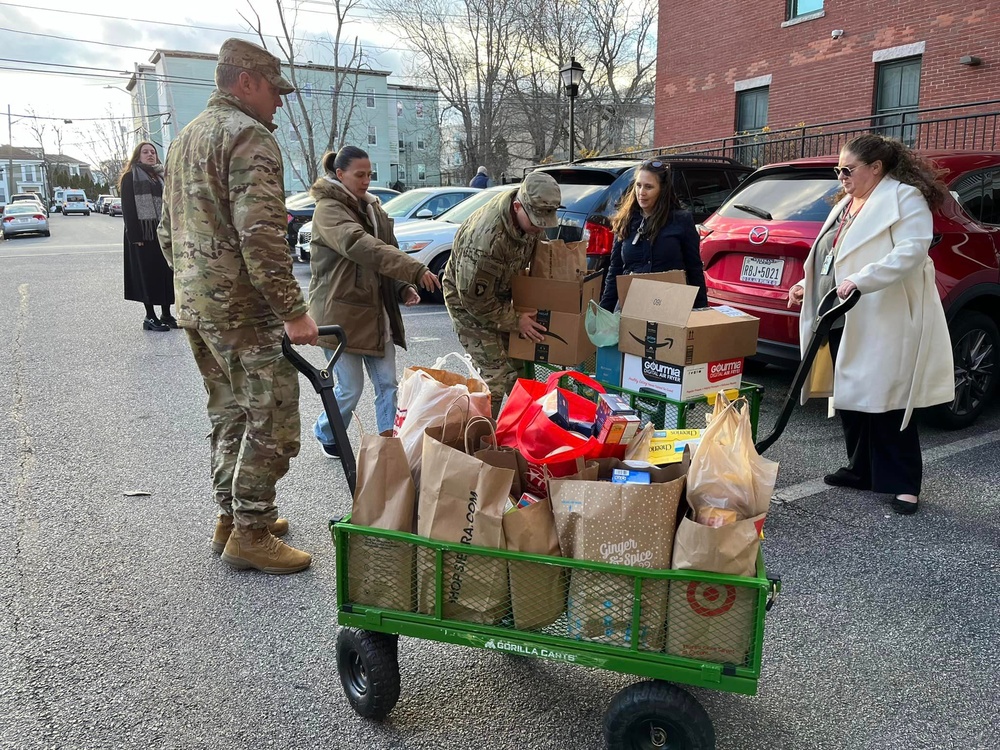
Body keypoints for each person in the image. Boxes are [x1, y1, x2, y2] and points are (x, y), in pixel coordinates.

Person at [158, 38, 320, 574]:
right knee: (272, 419)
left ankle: (231, 517)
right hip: (242, 310)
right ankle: (251, 531)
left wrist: (194, 281)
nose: (279, 102)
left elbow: (167, 232)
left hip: (197, 306)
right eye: (274, 90)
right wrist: (294, 311)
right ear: (246, 81)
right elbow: (263, 235)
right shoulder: (247, 135)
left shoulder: (186, 139)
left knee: (229, 411)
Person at [787, 133, 954, 516]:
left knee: (888, 398)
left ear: (876, 168)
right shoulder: (848, 203)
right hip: (845, 309)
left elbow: (911, 251)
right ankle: (860, 469)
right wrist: (804, 285)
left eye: (848, 169)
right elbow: (829, 254)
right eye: (838, 169)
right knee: (850, 394)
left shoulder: (904, 198)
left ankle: (905, 485)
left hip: (884, 311)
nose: (841, 176)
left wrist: (863, 279)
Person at [308, 146, 441, 457]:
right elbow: (360, 245)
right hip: (340, 315)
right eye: (360, 175)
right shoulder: (328, 210)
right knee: (349, 390)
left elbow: (387, 251)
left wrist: (402, 287)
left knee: (388, 386)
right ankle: (325, 430)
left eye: (369, 175)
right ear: (340, 175)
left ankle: (388, 449)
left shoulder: (375, 210)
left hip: (376, 315)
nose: (366, 181)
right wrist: (415, 268)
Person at [443, 171, 560, 417]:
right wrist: (517, 321)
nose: (539, 229)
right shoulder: (485, 240)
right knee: (494, 379)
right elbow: (473, 299)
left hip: (502, 296)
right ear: (518, 206)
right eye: (536, 222)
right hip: (469, 304)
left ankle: (525, 433)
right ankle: (478, 443)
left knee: (520, 372)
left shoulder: (529, 217)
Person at [599, 159, 707, 311]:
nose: (641, 192)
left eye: (648, 187)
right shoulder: (626, 220)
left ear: (662, 190)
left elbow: (694, 269)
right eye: (638, 185)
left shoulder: (680, 220)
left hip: (669, 306)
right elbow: (615, 270)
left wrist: (702, 311)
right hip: (631, 305)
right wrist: (604, 312)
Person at [120, 141, 175, 331]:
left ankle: (166, 314)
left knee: (166, 274)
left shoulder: (160, 177)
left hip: (162, 234)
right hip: (142, 235)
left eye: (152, 152)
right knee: (148, 276)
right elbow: (128, 209)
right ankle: (150, 317)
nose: (150, 154)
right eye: (145, 152)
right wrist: (136, 236)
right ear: (138, 156)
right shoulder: (130, 177)